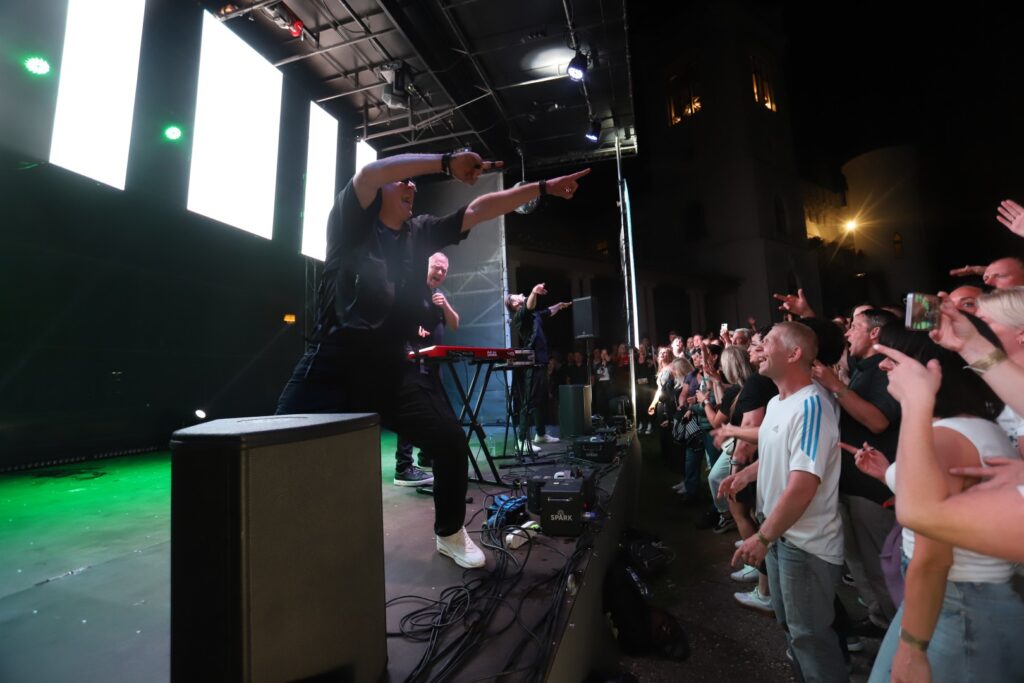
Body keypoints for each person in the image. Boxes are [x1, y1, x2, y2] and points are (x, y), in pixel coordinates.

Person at [275, 150, 589, 568]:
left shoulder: (418, 233)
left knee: (450, 441)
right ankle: (269, 531)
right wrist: (445, 162)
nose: (411, 186)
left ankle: (450, 533)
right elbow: (369, 173)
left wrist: (544, 187)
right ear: (381, 190)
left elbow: (478, 209)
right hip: (332, 362)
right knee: (271, 445)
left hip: (389, 369)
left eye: (413, 182)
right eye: (402, 181)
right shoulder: (351, 224)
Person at [852, 323, 1024, 683]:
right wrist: (888, 474)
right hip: (958, 600)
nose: (883, 365)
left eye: (893, 356)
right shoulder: (973, 426)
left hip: (955, 603)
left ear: (930, 368)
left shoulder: (942, 438)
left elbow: (932, 555)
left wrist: (912, 649)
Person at [731, 322, 846, 683]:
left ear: (795, 354)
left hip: (803, 543)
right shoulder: (776, 402)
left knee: (809, 637)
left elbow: (803, 484)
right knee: (792, 628)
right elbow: (779, 453)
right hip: (780, 534)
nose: (758, 349)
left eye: (767, 342)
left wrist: (762, 537)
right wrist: (747, 475)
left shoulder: (812, 405)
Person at [393, 252, 459, 486]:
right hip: (413, 362)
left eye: (444, 270)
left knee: (432, 412)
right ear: (427, 266)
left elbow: (455, 323)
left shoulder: (439, 296)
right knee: (411, 411)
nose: (439, 272)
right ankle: (403, 468)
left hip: (433, 366)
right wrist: (415, 329)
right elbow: (398, 320)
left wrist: (445, 304)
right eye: (436, 267)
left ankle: (426, 456)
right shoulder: (412, 291)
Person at [505, 284, 571, 452]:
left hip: (542, 362)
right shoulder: (520, 316)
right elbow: (530, 305)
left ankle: (540, 434)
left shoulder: (533, 315)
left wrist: (559, 306)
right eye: (517, 296)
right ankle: (521, 441)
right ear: (514, 304)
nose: (521, 293)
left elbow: (548, 311)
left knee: (541, 400)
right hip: (533, 364)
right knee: (529, 402)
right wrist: (534, 291)